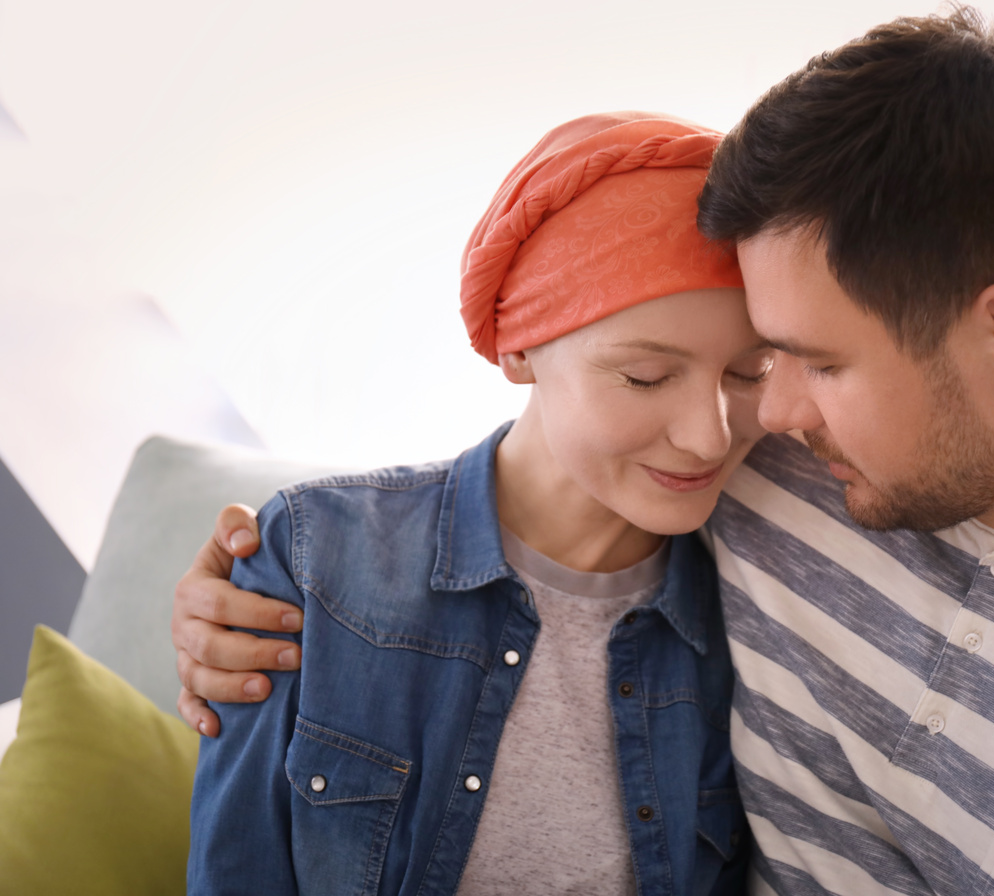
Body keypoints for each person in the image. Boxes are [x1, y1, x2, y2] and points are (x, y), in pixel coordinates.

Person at [175, 9, 994, 895]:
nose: (751, 417)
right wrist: (247, 593)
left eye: (807, 362)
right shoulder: (786, 478)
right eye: (755, 360)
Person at [186, 111, 770, 896]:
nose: (708, 438)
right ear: (521, 347)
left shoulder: (758, 620)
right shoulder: (316, 557)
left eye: (748, 373)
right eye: (645, 375)